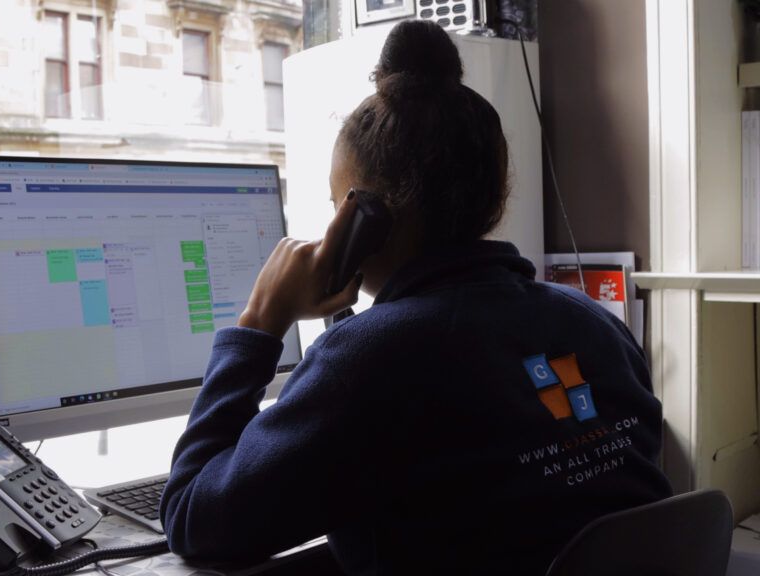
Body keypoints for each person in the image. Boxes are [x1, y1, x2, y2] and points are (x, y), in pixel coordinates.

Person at [160, 20, 672, 575]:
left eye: (336, 204)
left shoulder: (371, 360)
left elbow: (192, 517)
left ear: (364, 219)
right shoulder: (594, 324)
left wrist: (260, 322)